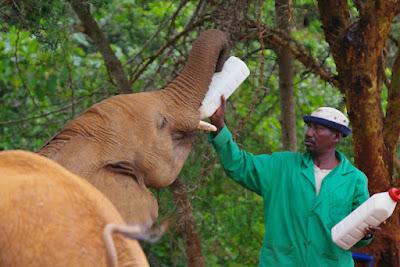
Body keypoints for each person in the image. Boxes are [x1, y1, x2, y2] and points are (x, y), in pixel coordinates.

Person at [209, 96, 379, 267]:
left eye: (318, 128)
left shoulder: (354, 179)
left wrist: (365, 234)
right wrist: (219, 126)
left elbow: (356, 236)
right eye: (309, 126)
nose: (309, 133)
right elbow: (238, 165)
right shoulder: (281, 166)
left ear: (336, 136)